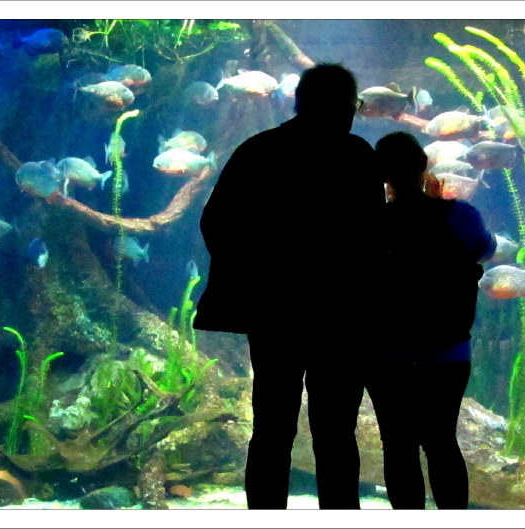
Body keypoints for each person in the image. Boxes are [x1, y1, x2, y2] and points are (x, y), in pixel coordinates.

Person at [193, 64, 386, 509]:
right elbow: (374, 240)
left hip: (272, 312)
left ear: (299, 102)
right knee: (336, 430)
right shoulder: (356, 154)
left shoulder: (259, 150)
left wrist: (251, 280)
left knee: (272, 428)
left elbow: (215, 222)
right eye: (353, 105)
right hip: (340, 315)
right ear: (342, 106)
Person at [367, 131, 496, 509]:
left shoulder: (374, 221)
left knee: (398, 444)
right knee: (441, 442)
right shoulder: (461, 215)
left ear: (381, 173)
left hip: (386, 353)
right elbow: (485, 249)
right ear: (424, 165)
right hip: (448, 350)